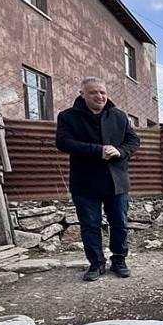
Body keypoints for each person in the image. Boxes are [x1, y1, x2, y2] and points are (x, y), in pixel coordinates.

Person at [55, 77, 140, 282]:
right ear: (82, 94)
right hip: (84, 182)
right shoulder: (68, 116)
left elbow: (134, 140)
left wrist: (119, 151)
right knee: (90, 225)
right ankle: (96, 263)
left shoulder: (119, 116)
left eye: (102, 92)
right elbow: (63, 142)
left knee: (119, 223)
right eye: (93, 92)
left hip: (116, 181)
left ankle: (119, 260)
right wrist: (97, 151)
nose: (99, 96)